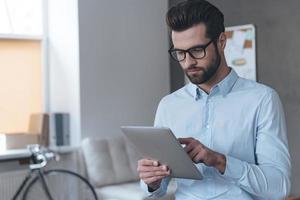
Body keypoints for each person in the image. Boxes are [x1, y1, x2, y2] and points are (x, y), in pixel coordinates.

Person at [137, 0, 291, 199]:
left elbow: (279, 187)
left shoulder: (262, 100)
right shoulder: (168, 105)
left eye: (197, 50)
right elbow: (156, 190)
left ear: (221, 41)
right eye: (180, 53)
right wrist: (151, 180)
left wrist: (221, 161)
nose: (188, 62)